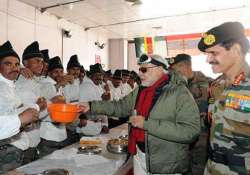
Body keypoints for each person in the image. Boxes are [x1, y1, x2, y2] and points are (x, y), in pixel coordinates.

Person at [80, 54, 200, 174]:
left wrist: (146, 124)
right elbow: (120, 106)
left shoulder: (179, 93)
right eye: (139, 70)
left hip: (165, 164)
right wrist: (91, 106)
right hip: (139, 155)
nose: (139, 74)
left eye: (144, 70)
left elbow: (190, 131)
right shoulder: (141, 90)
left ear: (160, 69)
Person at [198, 21, 250, 175]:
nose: (208, 60)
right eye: (207, 54)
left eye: (214, 53)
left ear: (235, 50)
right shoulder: (216, 86)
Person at [168, 53, 211, 175]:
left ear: (185, 66)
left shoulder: (209, 84)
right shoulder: (174, 88)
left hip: (202, 143)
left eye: (175, 70)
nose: (173, 74)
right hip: (180, 142)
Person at [0, 41, 39, 172]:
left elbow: (9, 112)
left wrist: (23, 123)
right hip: (5, 148)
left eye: (17, 64)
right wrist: (21, 119)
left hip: (16, 145)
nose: (14, 68)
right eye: (8, 64)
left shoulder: (10, 84)